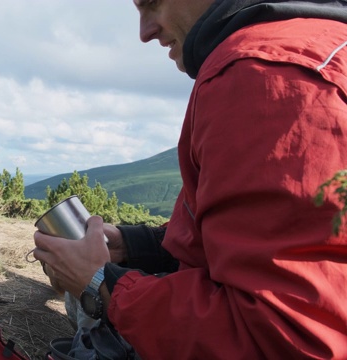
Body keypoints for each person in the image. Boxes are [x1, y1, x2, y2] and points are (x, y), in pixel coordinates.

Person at [32, 0, 347, 358]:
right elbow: (238, 242)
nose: (145, 32)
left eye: (152, 3)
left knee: (81, 302)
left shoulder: (264, 75)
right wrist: (135, 246)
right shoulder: (319, 46)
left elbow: (279, 340)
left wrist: (102, 283)